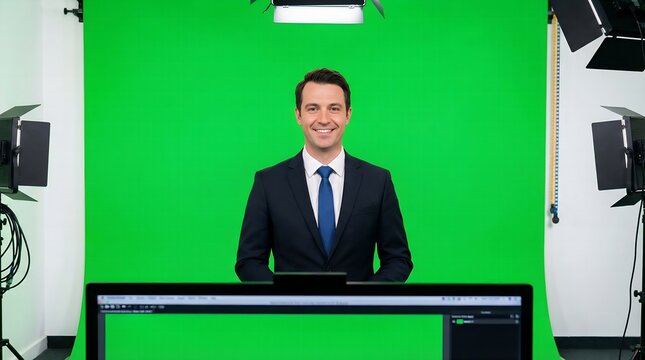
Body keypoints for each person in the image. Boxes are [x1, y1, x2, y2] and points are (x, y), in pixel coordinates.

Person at [235, 68, 412, 282]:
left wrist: (361, 300)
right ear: (298, 115)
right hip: (292, 315)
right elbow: (249, 262)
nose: (324, 119)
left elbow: (398, 260)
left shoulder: (378, 181)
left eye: (334, 108)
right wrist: (287, 298)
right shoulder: (268, 182)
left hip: (358, 315)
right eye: (312, 108)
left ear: (348, 114)